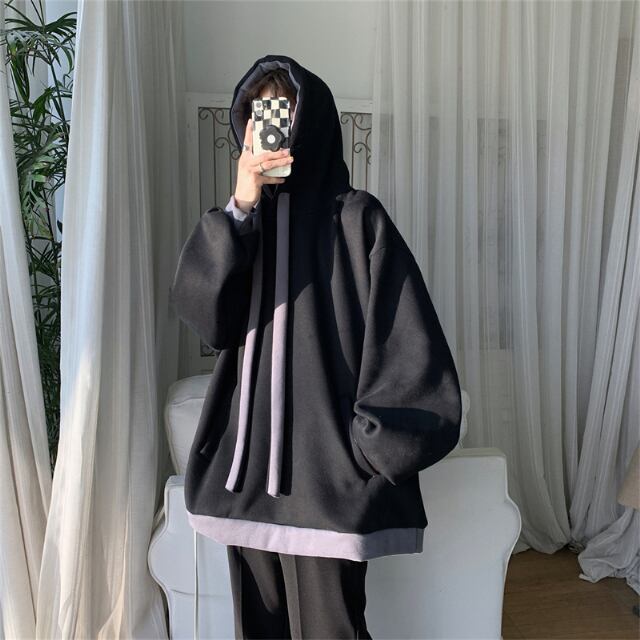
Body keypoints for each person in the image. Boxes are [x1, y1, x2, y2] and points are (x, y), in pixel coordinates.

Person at [170, 54, 463, 640]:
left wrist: (368, 450)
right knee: (260, 629)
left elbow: (410, 345)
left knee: (333, 630)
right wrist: (240, 205)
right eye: (258, 114)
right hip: (246, 484)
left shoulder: (358, 219)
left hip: (330, 484)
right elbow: (207, 320)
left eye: (282, 111)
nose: (270, 126)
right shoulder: (241, 226)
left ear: (313, 121)